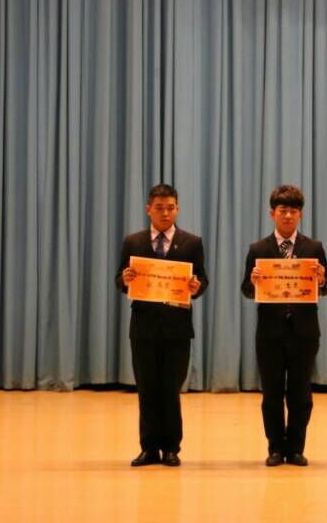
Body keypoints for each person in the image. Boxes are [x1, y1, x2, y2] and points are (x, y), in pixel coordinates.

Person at [115, 183, 208, 467]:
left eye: (170, 208)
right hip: (143, 328)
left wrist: (196, 286)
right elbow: (119, 279)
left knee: (170, 389)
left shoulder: (192, 242)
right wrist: (125, 279)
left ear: (177, 209)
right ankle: (148, 448)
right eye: (159, 208)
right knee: (147, 390)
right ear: (148, 209)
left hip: (177, 329)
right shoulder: (133, 242)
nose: (165, 213)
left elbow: (202, 279)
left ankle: (171, 448)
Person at [241, 184, 327, 467]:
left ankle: (296, 449)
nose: (288, 216)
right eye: (283, 210)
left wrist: (321, 279)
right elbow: (246, 290)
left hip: (305, 332)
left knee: (301, 394)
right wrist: (253, 281)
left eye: (293, 210)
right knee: (272, 394)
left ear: (300, 214)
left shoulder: (313, 248)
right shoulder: (258, 249)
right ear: (272, 213)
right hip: (269, 333)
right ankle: (275, 448)